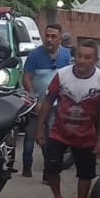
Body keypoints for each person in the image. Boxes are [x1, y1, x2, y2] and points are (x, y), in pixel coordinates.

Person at [35, 39, 100, 198]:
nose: (82, 60)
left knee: (85, 174)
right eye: (79, 56)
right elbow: (47, 102)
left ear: (95, 60)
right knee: (51, 167)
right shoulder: (62, 75)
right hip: (59, 131)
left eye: (87, 57)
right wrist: (39, 128)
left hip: (86, 136)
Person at [21, 23, 72, 179]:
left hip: (54, 104)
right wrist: (35, 99)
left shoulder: (65, 55)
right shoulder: (34, 55)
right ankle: (27, 166)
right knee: (31, 135)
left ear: (59, 39)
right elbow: (26, 79)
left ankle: (48, 171)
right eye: (47, 36)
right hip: (35, 103)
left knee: (50, 137)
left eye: (53, 36)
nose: (49, 39)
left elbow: (66, 77)